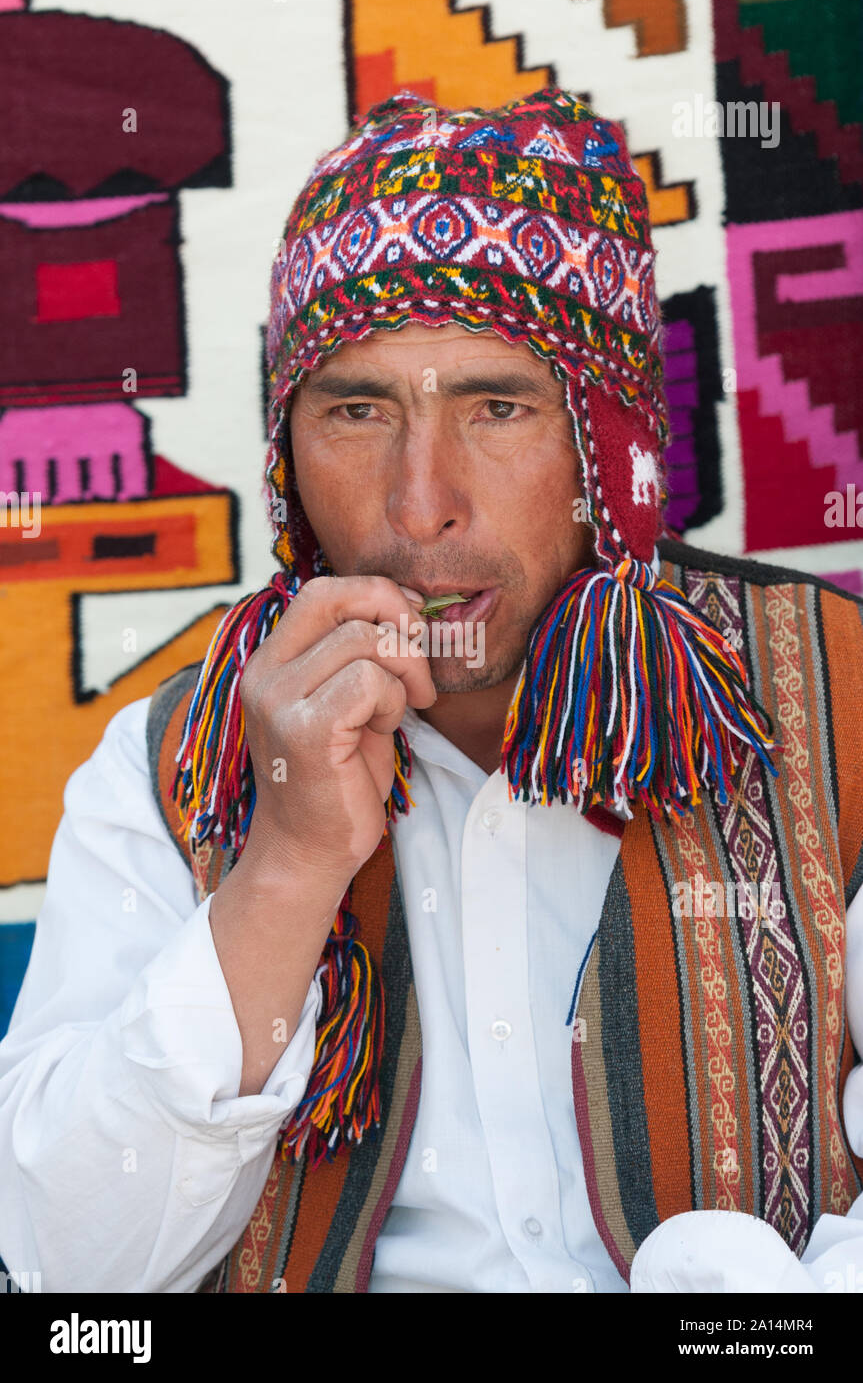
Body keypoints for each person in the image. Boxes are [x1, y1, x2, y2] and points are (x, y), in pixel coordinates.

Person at [2, 87, 863, 1295]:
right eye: (356, 409)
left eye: (495, 406)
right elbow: (64, 1276)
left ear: (608, 449)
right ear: (286, 454)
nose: (420, 504)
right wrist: (289, 867)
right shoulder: (172, 766)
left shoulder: (836, 703)